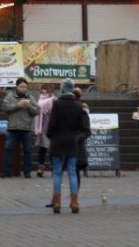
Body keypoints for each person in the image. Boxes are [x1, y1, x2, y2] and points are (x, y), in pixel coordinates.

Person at [45, 78, 91, 214]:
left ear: (62, 89)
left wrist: (50, 136)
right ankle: (74, 202)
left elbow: (51, 125)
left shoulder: (57, 104)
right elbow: (85, 129)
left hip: (58, 142)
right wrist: (75, 139)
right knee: (72, 172)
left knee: (57, 172)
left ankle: (57, 202)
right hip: (72, 143)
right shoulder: (79, 106)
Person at [2, 77, 39, 177]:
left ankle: (27, 172)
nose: (24, 89)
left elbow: (36, 111)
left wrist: (28, 106)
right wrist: (18, 105)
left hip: (26, 128)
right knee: (8, 149)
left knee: (28, 151)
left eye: (25, 87)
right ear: (16, 87)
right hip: (13, 128)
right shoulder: (9, 96)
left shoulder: (30, 97)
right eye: (21, 87)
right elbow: (5, 108)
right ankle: (6, 172)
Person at [34, 84, 55, 177]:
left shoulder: (54, 100)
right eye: (43, 89)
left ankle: (54, 167)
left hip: (51, 125)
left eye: (46, 89)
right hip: (42, 126)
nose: (44, 91)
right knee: (43, 147)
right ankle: (41, 167)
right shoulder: (40, 99)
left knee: (52, 148)